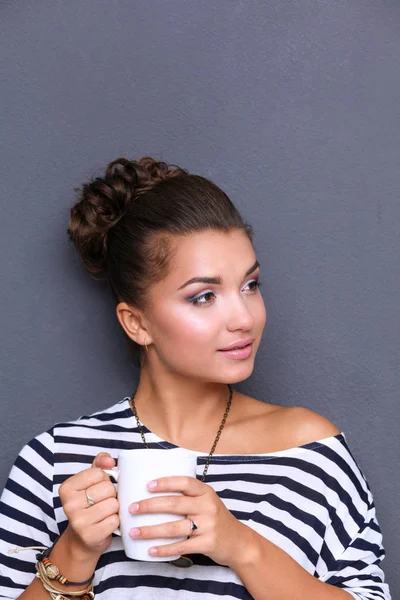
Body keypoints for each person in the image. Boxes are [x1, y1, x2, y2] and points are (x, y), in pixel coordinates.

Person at [0, 156, 391, 599]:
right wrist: (74, 550)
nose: (243, 318)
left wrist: (240, 546)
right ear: (137, 323)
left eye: (250, 285)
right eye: (204, 296)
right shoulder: (56, 460)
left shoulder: (309, 452)